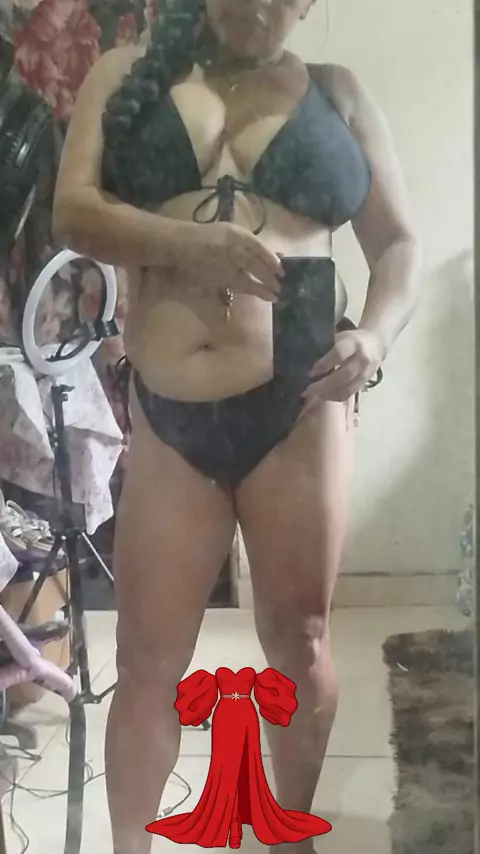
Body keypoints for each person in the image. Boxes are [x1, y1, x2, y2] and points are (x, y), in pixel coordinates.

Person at [53, 2, 421, 853]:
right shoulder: (128, 75)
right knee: (146, 660)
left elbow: (399, 244)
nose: (259, 5)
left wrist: (373, 336)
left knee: (301, 639)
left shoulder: (339, 93)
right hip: (169, 412)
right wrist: (190, 244)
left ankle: (292, 839)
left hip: (299, 408)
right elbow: (72, 211)